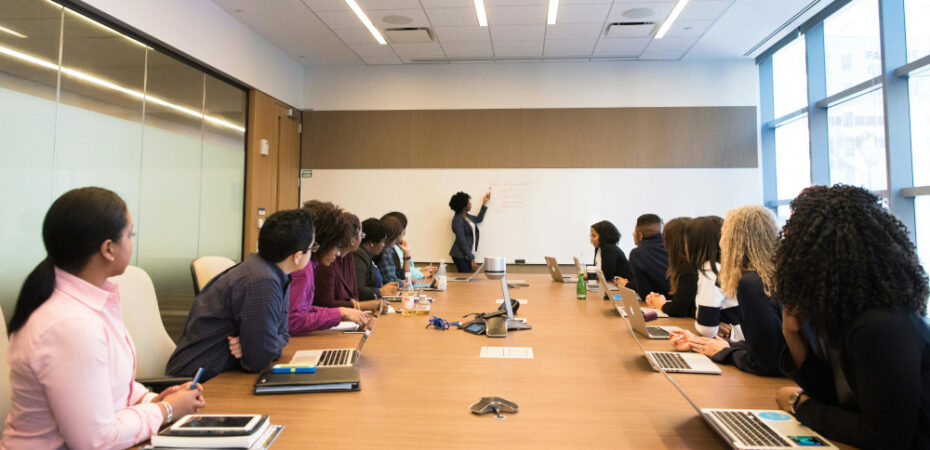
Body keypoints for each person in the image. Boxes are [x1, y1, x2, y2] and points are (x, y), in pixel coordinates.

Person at [3, 187, 204, 449]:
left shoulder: (90, 304)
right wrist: (165, 410)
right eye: (129, 235)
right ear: (108, 249)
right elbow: (95, 440)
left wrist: (150, 400)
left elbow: (111, 385)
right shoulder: (70, 325)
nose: (132, 243)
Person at [772, 185, 930, 449]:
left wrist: (799, 405)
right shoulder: (848, 314)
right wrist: (792, 333)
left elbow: (884, 438)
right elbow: (834, 398)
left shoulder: (882, 325)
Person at [166, 208, 315, 381]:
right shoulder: (262, 280)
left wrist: (254, 345)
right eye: (313, 247)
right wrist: (258, 347)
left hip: (222, 373)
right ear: (297, 256)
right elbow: (259, 360)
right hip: (198, 382)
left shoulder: (272, 272)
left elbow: (283, 334)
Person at [672, 206, 784, 377]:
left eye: (724, 236)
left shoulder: (752, 283)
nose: (721, 243)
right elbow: (769, 347)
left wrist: (725, 352)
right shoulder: (773, 275)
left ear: (737, 241)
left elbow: (765, 363)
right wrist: (710, 344)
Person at [289, 201, 372, 335]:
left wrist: (342, 312)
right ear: (324, 242)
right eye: (336, 247)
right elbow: (293, 320)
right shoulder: (302, 268)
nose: (338, 253)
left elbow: (304, 309)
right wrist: (340, 312)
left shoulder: (310, 264)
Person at [314, 213, 382, 312]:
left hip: (349, 316)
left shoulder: (349, 256)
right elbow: (326, 303)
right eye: (361, 236)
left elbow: (355, 293)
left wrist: (356, 305)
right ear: (353, 240)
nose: (361, 240)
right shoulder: (328, 260)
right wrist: (360, 305)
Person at [645, 217, 697, 318]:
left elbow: (677, 310)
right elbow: (684, 302)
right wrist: (660, 300)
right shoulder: (690, 266)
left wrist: (661, 304)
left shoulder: (689, 270)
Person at [382, 211, 437, 282]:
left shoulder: (392, 249)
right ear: (396, 229)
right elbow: (392, 281)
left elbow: (404, 275)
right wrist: (409, 280)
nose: (404, 233)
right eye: (403, 228)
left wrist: (406, 254)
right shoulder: (386, 251)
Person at [625, 214, 671, 300]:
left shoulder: (637, 253)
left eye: (634, 231)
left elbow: (644, 293)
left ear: (640, 235)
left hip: (657, 305)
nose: (633, 234)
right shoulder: (672, 247)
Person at [355, 218, 399, 300]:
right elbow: (358, 290)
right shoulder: (358, 257)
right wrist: (380, 291)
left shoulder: (367, 255)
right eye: (383, 241)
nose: (383, 245)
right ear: (372, 242)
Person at [448, 190, 490, 273]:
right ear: (464, 206)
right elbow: (462, 241)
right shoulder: (457, 220)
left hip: (466, 255)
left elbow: (479, 218)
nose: (470, 204)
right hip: (460, 255)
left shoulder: (467, 216)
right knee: (466, 280)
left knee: (469, 279)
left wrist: (484, 202)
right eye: (469, 202)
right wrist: (472, 259)